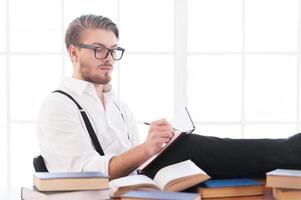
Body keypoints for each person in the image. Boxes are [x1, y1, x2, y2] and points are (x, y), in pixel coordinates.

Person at [36, 14, 301, 180]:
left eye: (113, 50)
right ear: (73, 53)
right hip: (102, 192)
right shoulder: (58, 106)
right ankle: (291, 150)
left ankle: (289, 157)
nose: (108, 59)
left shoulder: (117, 105)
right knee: (194, 149)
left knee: (212, 156)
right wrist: (146, 150)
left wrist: (158, 145)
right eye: (98, 50)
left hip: (134, 183)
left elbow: (130, 159)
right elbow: (86, 173)